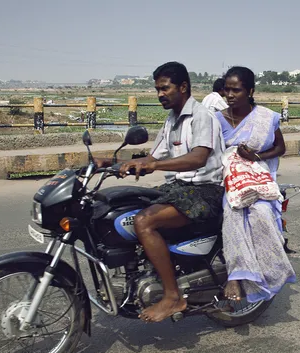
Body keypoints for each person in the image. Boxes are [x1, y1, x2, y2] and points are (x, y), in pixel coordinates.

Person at [96, 61, 225, 322]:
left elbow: (198, 157)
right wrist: (111, 163)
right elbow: (153, 157)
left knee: (145, 222)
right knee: (127, 209)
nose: (159, 95)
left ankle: (172, 297)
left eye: (164, 88)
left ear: (183, 87)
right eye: (157, 89)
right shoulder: (171, 120)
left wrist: (154, 165)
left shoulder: (202, 116)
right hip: (179, 189)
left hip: (205, 191)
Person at [215, 66, 296, 303]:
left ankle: (270, 273)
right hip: (230, 181)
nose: (230, 95)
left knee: (261, 213)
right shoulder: (217, 119)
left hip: (259, 179)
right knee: (233, 212)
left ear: (250, 91)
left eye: (236, 90)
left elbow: (280, 148)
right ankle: (236, 273)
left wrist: (255, 157)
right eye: (227, 90)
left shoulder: (266, 118)